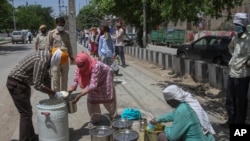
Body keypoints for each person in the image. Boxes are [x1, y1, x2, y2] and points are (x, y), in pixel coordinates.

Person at [6, 49, 68, 141]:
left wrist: (51, 95)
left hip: (22, 84)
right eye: (59, 63)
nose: (58, 65)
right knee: (25, 114)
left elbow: (46, 79)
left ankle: (31, 137)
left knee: (27, 112)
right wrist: (55, 94)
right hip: (16, 84)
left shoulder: (47, 58)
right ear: (57, 59)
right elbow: (37, 84)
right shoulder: (42, 60)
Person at [150, 85, 215, 141]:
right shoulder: (186, 104)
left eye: (167, 102)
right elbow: (173, 114)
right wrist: (158, 119)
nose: (168, 104)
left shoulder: (182, 110)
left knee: (161, 135)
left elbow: (173, 137)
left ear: (172, 101)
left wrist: (160, 127)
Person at [68, 52, 117, 124]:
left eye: (82, 66)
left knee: (107, 98)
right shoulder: (79, 67)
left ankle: (114, 116)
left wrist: (80, 95)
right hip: (93, 81)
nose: (80, 68)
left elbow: (93, 85)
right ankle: (95, 118)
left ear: (86, 62)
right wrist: (68, 92)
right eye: (79, 66)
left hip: (105, 78)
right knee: (92, 99)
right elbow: (75, 80)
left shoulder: (96, 66)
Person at [224, 13, 250, 125]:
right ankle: (231, 121)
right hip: (232, 73)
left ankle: (240, 126)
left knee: (241, 102)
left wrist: (247, 62)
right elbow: (230, 48)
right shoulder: (235, 37)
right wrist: (234, 59)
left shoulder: (248, 39)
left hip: (242, 75)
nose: (236, 27)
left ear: (243, 25)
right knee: (230, 100)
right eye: (235, 24)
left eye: (237, 25)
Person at [48, 16, 74, 91]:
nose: (61, 26)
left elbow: (69, 45)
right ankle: (57, 95)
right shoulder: (51, 33)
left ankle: (64, 95)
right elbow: (48, 46)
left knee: (65, 78)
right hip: (55, 60)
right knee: (55, 78)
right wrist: (48, 59)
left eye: (62, 25)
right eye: (60, 25)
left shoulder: (66, 34)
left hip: (65, 60)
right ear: (56, 24)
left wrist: (71, 56)